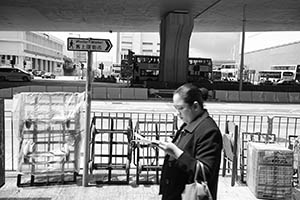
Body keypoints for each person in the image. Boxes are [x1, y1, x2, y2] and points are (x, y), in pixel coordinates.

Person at [157, 83, 223, 200]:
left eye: (181, 108)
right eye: (176, 109)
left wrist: (176, 152)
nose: (178, 114)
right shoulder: (189, 123)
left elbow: (205, 172)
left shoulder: (209, 130)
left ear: (195, 107)